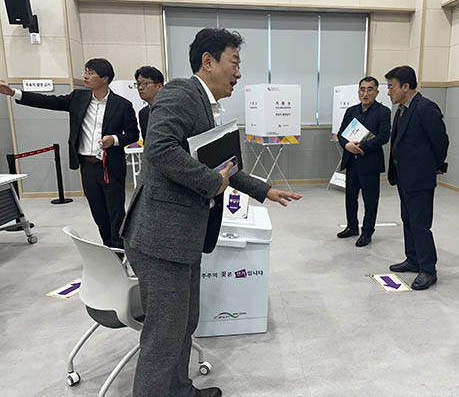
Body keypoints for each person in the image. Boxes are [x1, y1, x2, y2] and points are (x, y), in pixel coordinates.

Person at [121, 28, 301, 397]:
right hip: (160, 239)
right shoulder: (180, 92)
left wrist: (264, 190)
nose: (238, 73)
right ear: (208, 62)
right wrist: (211, 182)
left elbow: (224, 167)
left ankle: (179, 390)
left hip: (182, 237)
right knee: (164, 335)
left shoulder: (205, 105)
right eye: (234, 63)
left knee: (184, 323)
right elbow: (159, 148)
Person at [0, 58, 138, 248]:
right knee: (98, 211)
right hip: (87, 166)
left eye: (91, 73)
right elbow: (47, 101)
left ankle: (119, 248)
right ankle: (108, 246)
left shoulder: (122, 105)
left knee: (116, 211)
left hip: (111, 166)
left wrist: (113, 139)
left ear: (105, 78)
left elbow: (132, 134)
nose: (85, 76)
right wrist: (13, 93)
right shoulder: (78, 98)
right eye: (85, 72)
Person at [385, 65, 449, 291]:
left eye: (391, 87)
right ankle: (412, 259)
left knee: (420, 224)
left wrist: (433, 167)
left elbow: (440, 141)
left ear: (405, 86)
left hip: (419, 178)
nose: (388, 92)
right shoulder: (402, 109)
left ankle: (428, 270)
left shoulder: (425, 108)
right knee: (408, 219)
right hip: (404, 176)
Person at [337, 76, 391, 247]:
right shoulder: (351, 111)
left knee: (370, 200)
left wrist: (362, 147)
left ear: (377, 92)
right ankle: (352, 227)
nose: (365, 93)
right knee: (350, 198)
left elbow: (384, 137)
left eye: (370, 89)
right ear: (358, 91)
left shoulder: (383, 112)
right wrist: (347, 145)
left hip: (370, 163)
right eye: (362, 89)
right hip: (351, 161)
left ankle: (367, 232)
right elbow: (341, 134)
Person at [134, 66, 164, 140]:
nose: (140, 88)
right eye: (138, 84)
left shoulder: (170, 108)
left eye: (145, 84)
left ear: (159, 86)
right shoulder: (143, 113)